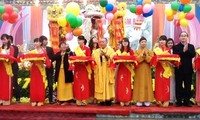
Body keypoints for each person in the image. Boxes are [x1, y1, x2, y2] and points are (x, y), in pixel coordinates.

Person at [173, 31, 196, 107]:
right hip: (179, 69)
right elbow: (176, 55)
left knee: (188, 86)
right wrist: (183, 51)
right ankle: (179, 101)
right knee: (178, 85)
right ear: (179, 38)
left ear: (187, 37)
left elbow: (193, 55)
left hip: (188, 69)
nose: (183, 37)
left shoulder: (191, 46)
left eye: (185, 36)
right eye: (182, 36)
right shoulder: (176, 47)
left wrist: (187, 50)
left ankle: (187, 101)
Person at [28, 38, 50, 106]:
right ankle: (34, 100)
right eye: (35, 42)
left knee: (40, 84)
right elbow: (30, 60)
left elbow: (45, 60)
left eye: (37, 42)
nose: (35, 43)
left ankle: (40, 100)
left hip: (40, 70)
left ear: (40, 43)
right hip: (34, 69)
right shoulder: (32, 52)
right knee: (33, 84)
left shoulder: (43, 51)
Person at [92, 38, 115, 106]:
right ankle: (101, 100)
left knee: (108, 84)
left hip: (107, 71)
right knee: (100, 84)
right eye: (100, 42)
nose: (101, 43)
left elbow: (113, 59)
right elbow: (94, 60)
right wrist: (99, 56)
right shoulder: (96, 51)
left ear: (106, 42)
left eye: (103, 42)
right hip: (100, 71)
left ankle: (108, 99)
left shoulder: (110, 50)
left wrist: (105, 55)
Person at [133, 37, 154, 107]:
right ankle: (139, 100)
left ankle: (147, 100)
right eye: (142, 42)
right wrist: (142, 55)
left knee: (147, 84)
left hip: (147, 70)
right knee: (139, 84)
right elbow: (136, 60)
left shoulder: (150, 51)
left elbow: (151, 60)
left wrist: (146, 56)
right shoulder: (136, 51)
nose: (144, 43)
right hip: (139, 70)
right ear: (139, 43)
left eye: (145, 42)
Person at [115, 38, 134, 106]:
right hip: (121, 69)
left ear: (128, 43)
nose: (125, 43)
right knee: (121, 84)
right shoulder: (118, 51)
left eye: (126, 42)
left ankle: (127, 99)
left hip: (128, 69)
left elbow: (134, 59)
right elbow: (115, 60)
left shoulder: (131, 51)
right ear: (122, 43)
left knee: (127, 84)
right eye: (123, 42)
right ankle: (121, 99)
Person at [153, 35, 171, 107]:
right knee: (159, 84)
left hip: (166, 68)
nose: (162, 41)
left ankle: (166, 99)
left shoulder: (168, 50)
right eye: (160, 40)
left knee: (166, 84)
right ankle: (159, 99)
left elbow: (170, 59)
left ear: (166, 41)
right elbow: (154, 59)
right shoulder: (156, 50)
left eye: (163, 40)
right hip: (159, 68)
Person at [73, 35, 91, 106]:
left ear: (83, 41)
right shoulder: (76, 49)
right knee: (77, 83)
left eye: (80, 40)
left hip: (84, 68)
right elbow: (74, 57)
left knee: (84, 83)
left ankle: (84, 99)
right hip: (77, 67)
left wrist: (84, 61)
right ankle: (78, 99)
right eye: (78, 40)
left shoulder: (87, 49)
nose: (79, 41)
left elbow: (89, 57)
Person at [39, 35, 55, 104]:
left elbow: (53, 57)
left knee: (50, 84)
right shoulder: (38, 49)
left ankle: (50, 99)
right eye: (45, 40)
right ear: (42, 41)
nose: (46, 42)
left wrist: (50, 60)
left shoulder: (50, 49)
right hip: (41, 68)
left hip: (49, 68)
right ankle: (41, 99)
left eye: (47, 40)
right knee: (41, 84)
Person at [0, 34, 14, 105]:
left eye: (4, 39)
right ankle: (1, 99)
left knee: (6, 84)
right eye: (2, 39)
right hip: (1, 68)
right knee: (1, 84)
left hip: (7, 68)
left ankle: (6, 99)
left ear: (8, 39)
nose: (3, 41)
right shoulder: (0, 48)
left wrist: (6, 58)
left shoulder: (11, 48)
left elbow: (12, 59)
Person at [8, 35, 20, 103]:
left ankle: (18, 97)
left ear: (10, 39)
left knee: (15, 82)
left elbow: (14, 56)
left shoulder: (15, 47)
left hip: (13, 67)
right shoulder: (3, 48)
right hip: (5, 67)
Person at [88, 37, 99, 103]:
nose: (95, 44)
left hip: (98, 68)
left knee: (97, 83)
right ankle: (91, 97)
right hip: (91, 69)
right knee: (91, 83)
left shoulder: (99, 49)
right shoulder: (89, 49)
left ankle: (97, 97)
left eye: (96, 43)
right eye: (93, 43)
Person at [166, 38, 176, 104]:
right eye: (169, 43)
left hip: (173, 68)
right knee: (167, 83)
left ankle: (172, 99)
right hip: (166, 68)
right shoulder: (165, 51)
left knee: (172, 83)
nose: (170, 44)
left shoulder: (175, 50)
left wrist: (174, 64)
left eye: (171, 43)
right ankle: (166, 98)